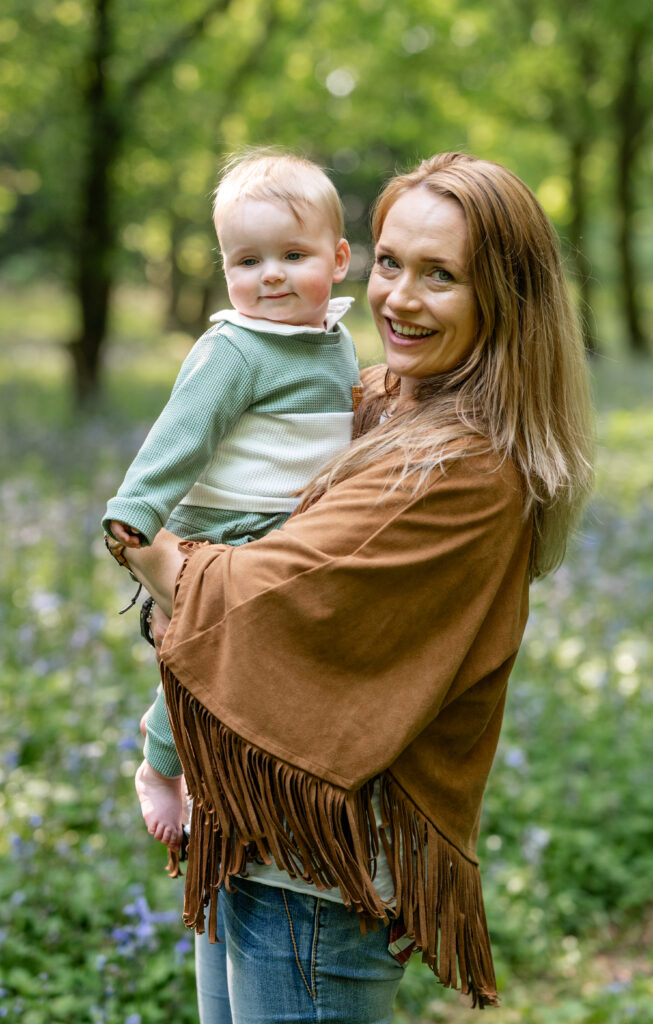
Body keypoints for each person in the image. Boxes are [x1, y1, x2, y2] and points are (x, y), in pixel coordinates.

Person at [111, 151, 594, 1022]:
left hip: (320, 874)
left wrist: (150, 546)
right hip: (247, 823)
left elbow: (263, 600)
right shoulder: (377, 400)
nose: (399, 299)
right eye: (393, 263)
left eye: (440, 275)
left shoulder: (463, 466)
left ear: (505, 297)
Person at [103, 150, 359, 853]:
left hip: (294, 526)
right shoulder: (236, 349)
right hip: (231, 528)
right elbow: (178, 438)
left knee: (263, 669)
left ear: (338, 259)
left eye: (291, 254)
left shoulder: (334, 341)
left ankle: (228, 769)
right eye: (247, 261)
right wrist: (135, 513)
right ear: (226, 273)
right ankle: (161, 765)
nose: (269, 274)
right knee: (205, 656)